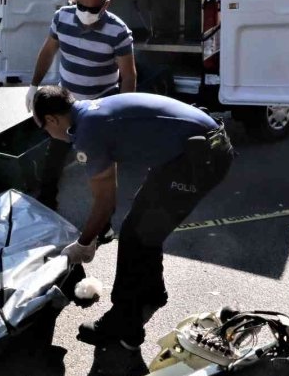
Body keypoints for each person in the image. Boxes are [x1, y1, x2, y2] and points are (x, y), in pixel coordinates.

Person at [32, 86, 234, 349]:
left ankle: (124, 327)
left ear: (51, 119)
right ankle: (152, 292)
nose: (48, 134)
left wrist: (84, 243)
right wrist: (96, 230)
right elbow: (108, 189)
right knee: (145, 222)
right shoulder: (90, 113)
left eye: (43, 127)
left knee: (134, 237)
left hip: (200, 158)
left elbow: (105, 202)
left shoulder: (87, 132)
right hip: (190, 151)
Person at [26, 0, 137, 213]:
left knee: (101, 163)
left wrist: (125, 115)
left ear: (106, 5)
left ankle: (104, 216)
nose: (86, 13)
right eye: (81, 6)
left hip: (101, 105)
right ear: (75, 0)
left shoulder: (118, 31)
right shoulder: (62, 18)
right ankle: (47, 202)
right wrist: (34, 85)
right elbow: (48, 51)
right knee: (55, 154)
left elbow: (128, 76)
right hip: (68, 102)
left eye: (93, 9)